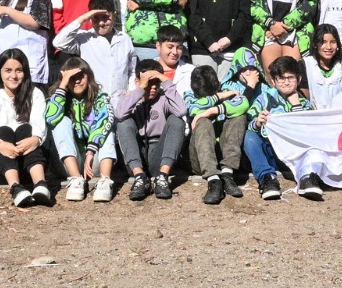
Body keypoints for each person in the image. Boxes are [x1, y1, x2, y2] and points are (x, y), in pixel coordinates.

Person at [237, 56, 322, 200]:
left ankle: (306, 178)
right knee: (249, 137)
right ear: (273, 81)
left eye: (290, 77)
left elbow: (306, 132)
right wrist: (257, 123)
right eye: (281, 78)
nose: (286, 82)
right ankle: (267, 179)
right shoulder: (263, 99)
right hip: (271, 154)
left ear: (299, 79)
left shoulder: (305, 104)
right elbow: (249, 123)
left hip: (295, 156)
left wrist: (296, 106)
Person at [0, 50, 51, 206]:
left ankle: (40, 184)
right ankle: (15, 188)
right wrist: (0, 144)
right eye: (8, 70)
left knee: (25, 129)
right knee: (4, 131)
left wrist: (35, 140)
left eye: (19, 70)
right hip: (0, 169)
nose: (14, 75)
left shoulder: (35, 94)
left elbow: (40, 123)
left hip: (28, 164)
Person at [113, 59, 188, 202]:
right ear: (138, 82)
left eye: (156, 83)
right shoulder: (130, 97)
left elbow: (181, 110)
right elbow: (120, 114)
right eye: (149, 83)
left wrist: (166, 82)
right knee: (124, 123)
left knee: (177, 120)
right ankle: (140, 178)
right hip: (136, 157)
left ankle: (162, 178)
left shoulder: (164, 98)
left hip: (159, 156)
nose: (153, 87)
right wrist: (140, 89)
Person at [46, 58, 118, 202]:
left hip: (94, 161)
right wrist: (63, 86)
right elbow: (50, 117)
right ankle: (76, 180)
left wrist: (91, 151)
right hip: (67, 161)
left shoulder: (100, 98)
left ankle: (105, 181)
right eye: (71, 78)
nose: (77, 81)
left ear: (89, 76)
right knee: (61, 121)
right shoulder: (58, 97)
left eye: (80, 76)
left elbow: (106, 119)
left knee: (108, 126)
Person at [186, 64, 247, 205]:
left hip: (225, 154)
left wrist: (211, 110)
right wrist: (219, 97)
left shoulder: (228, 91)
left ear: (218, 85)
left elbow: (243, 104)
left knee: (239, 117)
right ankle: (214, 181)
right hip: (201, 160)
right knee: (203, 121)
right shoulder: (189, 95)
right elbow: (194, 108)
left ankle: (227, 173)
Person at [54, 0, 136, 98]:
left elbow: (132, 69)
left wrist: (131, 91)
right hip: (94, 103)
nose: (101, 23)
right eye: (96, 18)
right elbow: (58, 42)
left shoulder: (124, 39)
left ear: (114, 15)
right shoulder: (84, 38)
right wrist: (82, 19)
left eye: (106, 18)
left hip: (121, 102)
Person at [303, 24, 342, 109]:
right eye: (323, 42)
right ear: (315, 44)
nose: (329, 47)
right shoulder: (306, 64)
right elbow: (304, 97)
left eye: (333, 42)